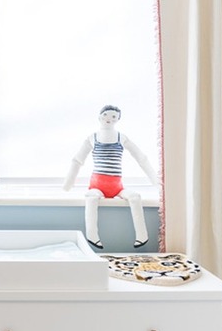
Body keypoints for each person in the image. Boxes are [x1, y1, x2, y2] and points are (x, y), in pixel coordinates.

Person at [63, 105, 157, 249]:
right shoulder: (92, 138)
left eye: (114, 116)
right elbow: (77, 160)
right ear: (100, 117)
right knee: (92, 198)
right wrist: (68, 184)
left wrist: (155, 181)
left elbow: (141, 158)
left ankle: (142, 236)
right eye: (106, 115)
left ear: (118, 119)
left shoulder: (121, 137)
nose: (109, 119)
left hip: (117, 187)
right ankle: (92, 235)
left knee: (135, 197)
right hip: (97, 186)